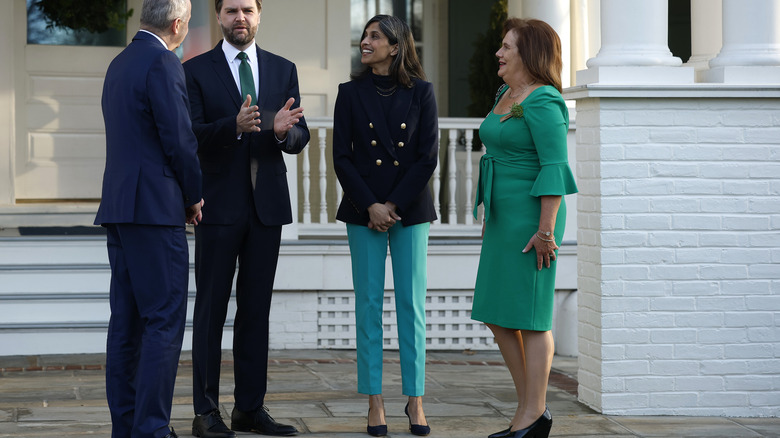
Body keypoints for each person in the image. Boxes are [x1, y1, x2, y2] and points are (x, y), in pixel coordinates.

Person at [182, 0, 309, 436]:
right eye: (232, 10)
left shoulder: (282, 67)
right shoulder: (195, 70)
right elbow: (191, 135)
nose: (241, 18)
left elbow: (299, 131)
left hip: (267, 206)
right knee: (211, 310)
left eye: (248, 10)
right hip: (217, 206)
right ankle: (206, 411)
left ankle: (250, 409)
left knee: (257, 310)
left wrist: (283, 132)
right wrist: (233, 126)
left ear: (260, 15)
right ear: (218, 15)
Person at [95, 0, 203, 437]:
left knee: (126, 320)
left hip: (120, 208)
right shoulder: (162, 62)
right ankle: (153, 429)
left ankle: (128, 426)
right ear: (178, 24)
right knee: (163, 319)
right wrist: (194, 195)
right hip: (155, 211)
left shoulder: (118, 63)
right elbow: (179, 139)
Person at [333, 14, 438, 438]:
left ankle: (415, 398)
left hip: (408, 210)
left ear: (395, 46)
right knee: (368, 306)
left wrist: (392, 204)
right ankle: (374, 400)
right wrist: (371, 205)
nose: (365, 41)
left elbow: (427, 158)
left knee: (412, 306)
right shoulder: (349, 93)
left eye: (375, 36)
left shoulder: (423, 93)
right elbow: (342, 157)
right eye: (365, 34)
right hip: (363, 210)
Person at [471, 18, 578, 438]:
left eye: (507, 47)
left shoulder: (544, 100)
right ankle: (532, 407)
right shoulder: (505, 94)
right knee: (499, 315)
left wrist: (546, 231)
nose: (498, 53)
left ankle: (531, 415)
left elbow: (555, 167)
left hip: (534, 219)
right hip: (503, 218)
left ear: (529, 54)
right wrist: (489, 214)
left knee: (532, 318)